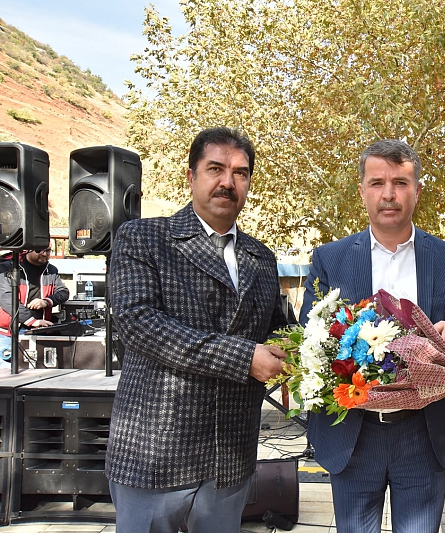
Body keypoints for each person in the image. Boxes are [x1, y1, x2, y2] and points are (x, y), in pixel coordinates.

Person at [299, 139, 445, 533]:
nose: (388, 194)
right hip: (352, 432)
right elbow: (310, 335)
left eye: (400, 183)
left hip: (426, 432)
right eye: (377, 183)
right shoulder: (330, 258)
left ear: (417, 190)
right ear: (362, 191)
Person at [106, 127, 289, 533]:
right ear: (191, 177)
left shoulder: (260, 256)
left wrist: (314, 345)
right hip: (155, 452)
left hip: (230, 457)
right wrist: (245, 358)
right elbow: (140, 324)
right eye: (215, 169)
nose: (228, 182)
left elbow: (277, 328)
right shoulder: (144, 237)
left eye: (240, 173)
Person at [0, 246, 69, 363]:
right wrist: (31, 320)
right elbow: (6, 298)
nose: (44, 253)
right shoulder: (7, 267)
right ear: (28, 249)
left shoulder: (51, 270)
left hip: (38, 331)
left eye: (48, 250)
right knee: (7, 370)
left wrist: (46, 301)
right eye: (39, 250)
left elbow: (63, 292)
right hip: (8, 333)